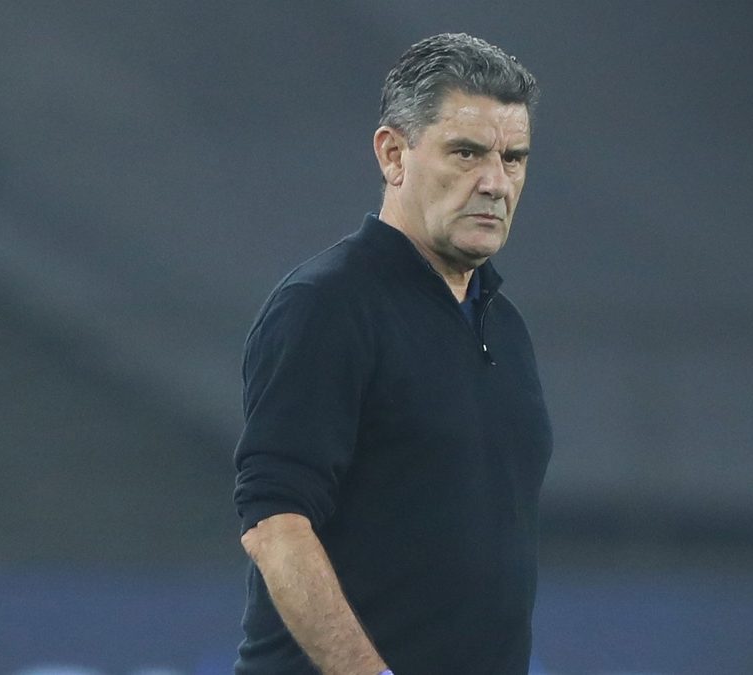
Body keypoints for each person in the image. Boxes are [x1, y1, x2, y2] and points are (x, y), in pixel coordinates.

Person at [233, 33, 553, 674]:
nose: (495, 182)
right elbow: (275, 523)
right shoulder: (327, 306)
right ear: (393, 154)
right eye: (466, 152)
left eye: (513, 158)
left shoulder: (504, 324)